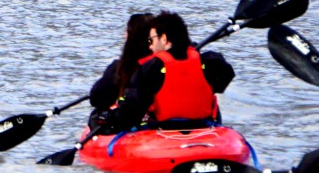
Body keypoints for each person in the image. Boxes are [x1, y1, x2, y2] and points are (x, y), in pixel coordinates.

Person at [97, 11, 236, 133]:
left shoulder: (150, 68)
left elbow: (131, 112)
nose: (150, 46)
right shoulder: (209, 61)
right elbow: (224, 79)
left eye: (151, 40)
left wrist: (107, 119)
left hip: (164, 132)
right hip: (204, 129)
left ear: (164, 39)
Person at [85, 12, 156, 132]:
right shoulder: (165, 63)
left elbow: (97, 99)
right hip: (163, 123)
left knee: (97, 116)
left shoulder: (120, 68)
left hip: (136, 125)